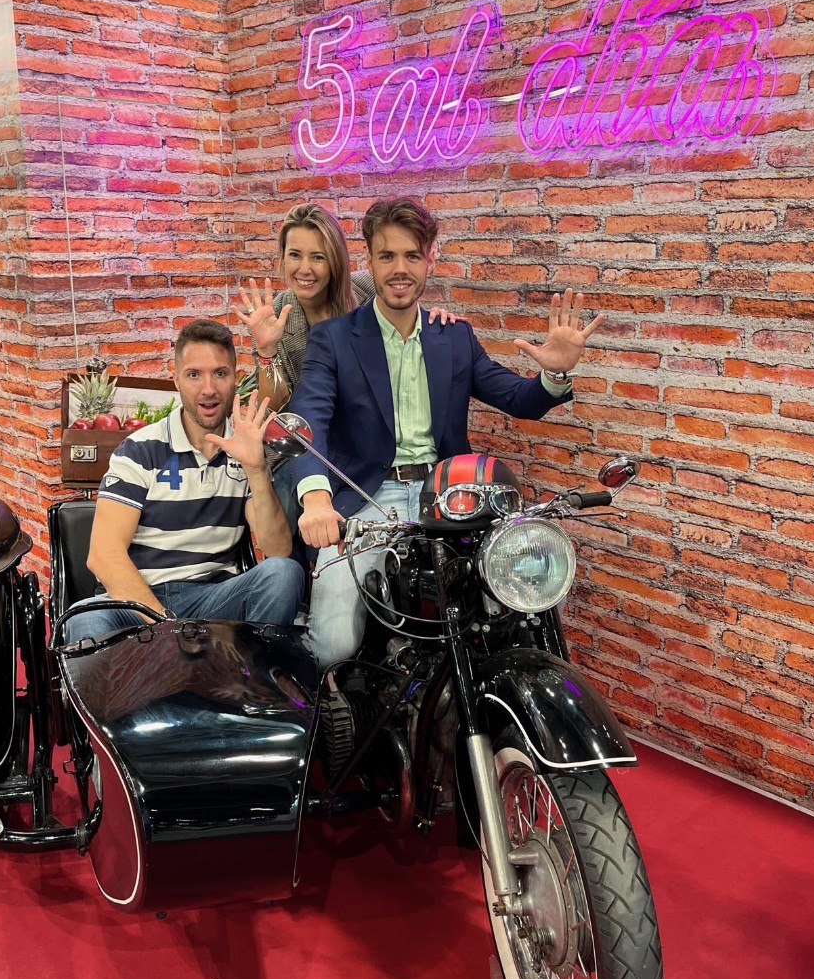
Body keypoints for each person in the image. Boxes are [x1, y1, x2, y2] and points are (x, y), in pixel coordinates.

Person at [289, 196, 605, 673]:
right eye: (387, 256)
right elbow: (307, 417)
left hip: (451, 493)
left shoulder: (454, 336)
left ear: (430, 258)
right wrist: (316, 499)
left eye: (412, 255)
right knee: (333, 644)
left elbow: (517, 398)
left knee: (532, 590)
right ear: (369, 259)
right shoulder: (333, 338)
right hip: (369, 498)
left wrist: (555, 374)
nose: (400, 269)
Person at [65, 320, 303, 640]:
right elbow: (104, 556)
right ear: (176, 379)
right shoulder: (139, 450)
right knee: (85, 621)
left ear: (235, 378)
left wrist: (257, 469)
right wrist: (168, 629)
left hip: (212, 598)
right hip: (137, 599)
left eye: (220, 373)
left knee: (284, 573)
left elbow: (277, 550)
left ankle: (243, 671)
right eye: (194, 375)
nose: (209, 389)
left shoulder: (243, 449)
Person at [234, 202, 455, 410]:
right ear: (283, 258)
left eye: (318, 257)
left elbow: (408, 321)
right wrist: (267, 351)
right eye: (294, 255)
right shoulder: (272, 317)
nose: (305, 269)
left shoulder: (370, 288)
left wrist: (432, 322)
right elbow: (278, 410)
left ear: (335, 260)